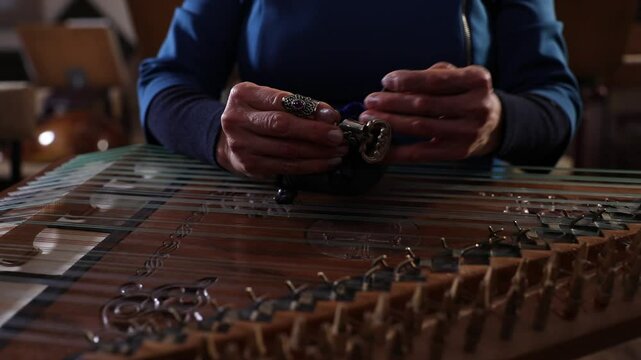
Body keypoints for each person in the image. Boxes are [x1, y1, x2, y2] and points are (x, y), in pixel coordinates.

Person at [139, 0, 581, 179]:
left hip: (453, 230)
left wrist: (500, 121)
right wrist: (217, 135)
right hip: (273, 223)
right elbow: (165, 83)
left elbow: (554, 99)